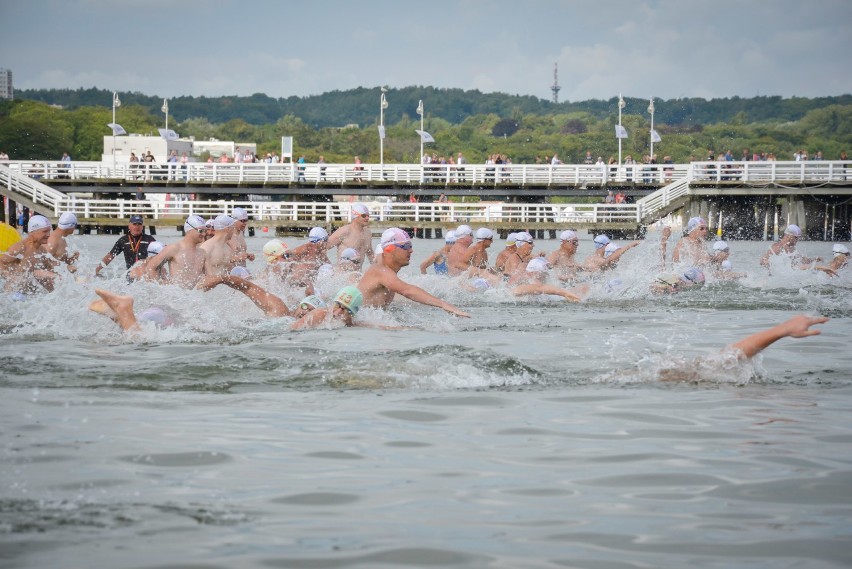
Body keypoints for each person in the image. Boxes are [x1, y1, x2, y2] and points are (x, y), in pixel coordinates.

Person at [357, 228, 470, 317]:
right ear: (389, 249)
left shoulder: (387, 272)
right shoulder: (380, 270)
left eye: (410, 246)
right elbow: (407, 290)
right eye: (406, 246)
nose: (411, 250)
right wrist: (444, 304)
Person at [144, 215, 208, 288]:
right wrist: (159, 288)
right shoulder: (174, 248)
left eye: (205, 231)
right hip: (177, 297)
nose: (204, 234)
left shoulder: (203, 253)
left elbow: (209, 276)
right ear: (189, 230)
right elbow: (150, 267)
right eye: (200, 231)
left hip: (194, 298)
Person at [0, 215, 58, 293]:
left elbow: (49, 272)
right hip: (12, 294)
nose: (48, 234)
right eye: (45, 231)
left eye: (49, 231)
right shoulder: (20, 248)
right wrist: (9, 276)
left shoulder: (42, 251)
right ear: (32, 232)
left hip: (29, 294)